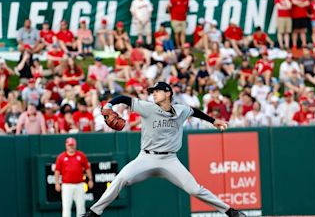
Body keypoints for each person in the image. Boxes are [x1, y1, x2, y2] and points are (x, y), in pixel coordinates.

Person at [83, 82, 245, 217]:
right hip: (146, 158)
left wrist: (213, 120)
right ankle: (94, 213)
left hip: (170, 160)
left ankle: (230, 212)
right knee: (121, 178)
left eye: (157, 91)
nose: (153, 94)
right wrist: (110, 104)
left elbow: (193, 111)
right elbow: (125, 98)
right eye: (152, 92)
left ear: (168, 93)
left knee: (195, 189)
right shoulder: (147, 107)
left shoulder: (180, 110)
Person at [54, 137, 94, 217]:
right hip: (66, 185)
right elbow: (57, 171)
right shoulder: (61, 157)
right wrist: (57, 183)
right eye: (69, 145)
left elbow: (87, 168)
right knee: (66, 207)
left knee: (81, 207)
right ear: (66, 145)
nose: (71, 147)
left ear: (75, 145)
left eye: (72, 145)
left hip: (79, 185)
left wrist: (90, 179)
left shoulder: (81, 155)